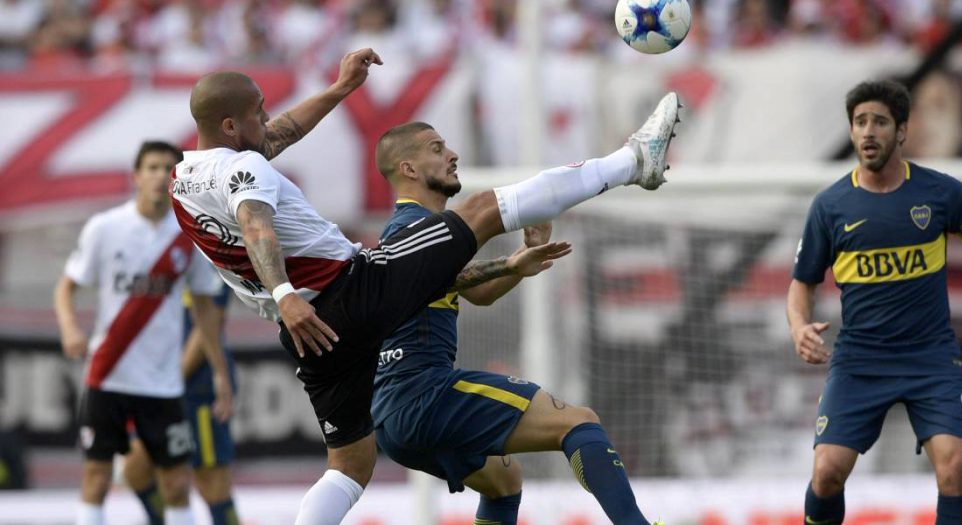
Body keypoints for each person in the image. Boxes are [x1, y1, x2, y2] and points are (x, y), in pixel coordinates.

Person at [170, 47, 680, 525]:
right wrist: (283, 292)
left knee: (351, 465)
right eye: (259, 111)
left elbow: (273, 139)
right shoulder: (247, 169)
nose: (268, 118)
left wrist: (340, 88)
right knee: (483, 210)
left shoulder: (185, 183)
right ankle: (632, 162)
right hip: (348, 294)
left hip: (313, 334)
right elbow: (256, 224)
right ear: (231, 125)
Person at [370, 121, 658, 524]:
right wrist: (509, 263)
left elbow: (478, 292)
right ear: (409, 169)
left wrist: (518, 261)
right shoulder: (416, 229)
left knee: (504, 479)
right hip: (423, 394)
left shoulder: (408, 232)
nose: (452, 155)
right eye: (436, 149)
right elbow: (453, 273)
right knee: (578, 422)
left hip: (392, 414)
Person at [787, 79, 962, 525]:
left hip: (930, 358)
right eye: (860, 122)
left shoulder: (941, 193)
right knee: (826, 473)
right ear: (851, 131)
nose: (869, 131)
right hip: (860, 361)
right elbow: (802, 282)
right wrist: (799, 326)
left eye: (880, 122)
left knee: (955, 466)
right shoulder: (830, 206)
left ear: (903, 130)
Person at [54, 141, 233, 525]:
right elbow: (67, 286)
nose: (158, 175)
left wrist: (220, 373)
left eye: (167, 168)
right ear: (136, 176)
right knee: (97, 477)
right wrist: (69, 328)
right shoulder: (105, 228)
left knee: (176, 484)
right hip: (108, 375)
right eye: (151, 167)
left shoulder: (190, 235)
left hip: (163, 383)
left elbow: (205, 309)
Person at [122, 286, 239, 525]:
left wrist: (173, 380)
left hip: (198, 387)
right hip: (155, 381)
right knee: (136, 467)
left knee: (211, 480)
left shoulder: (205, 263)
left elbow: (209, 321)